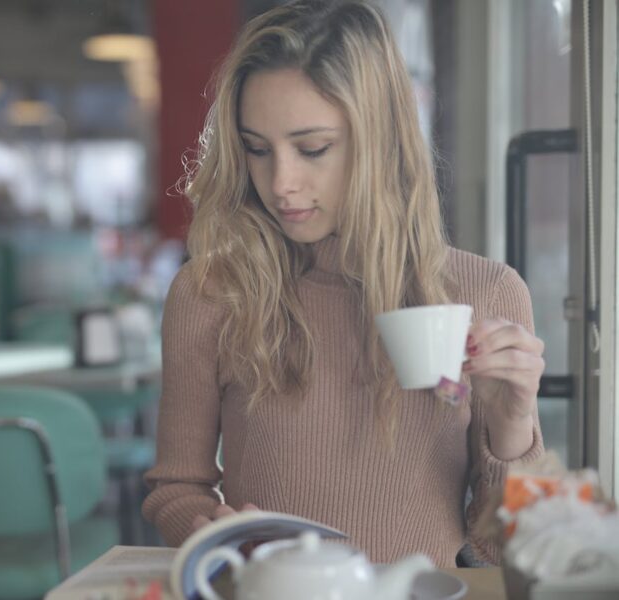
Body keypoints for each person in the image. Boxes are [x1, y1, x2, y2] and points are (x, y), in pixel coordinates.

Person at [142, 0, 545, 568]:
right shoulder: (212, 292)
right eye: (257, 149)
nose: (281, 183)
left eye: (313, 149)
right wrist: (210, 532)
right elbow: (175, 488)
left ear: (380, 141)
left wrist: (512, 423)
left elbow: (507, 547)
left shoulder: (484, 292)